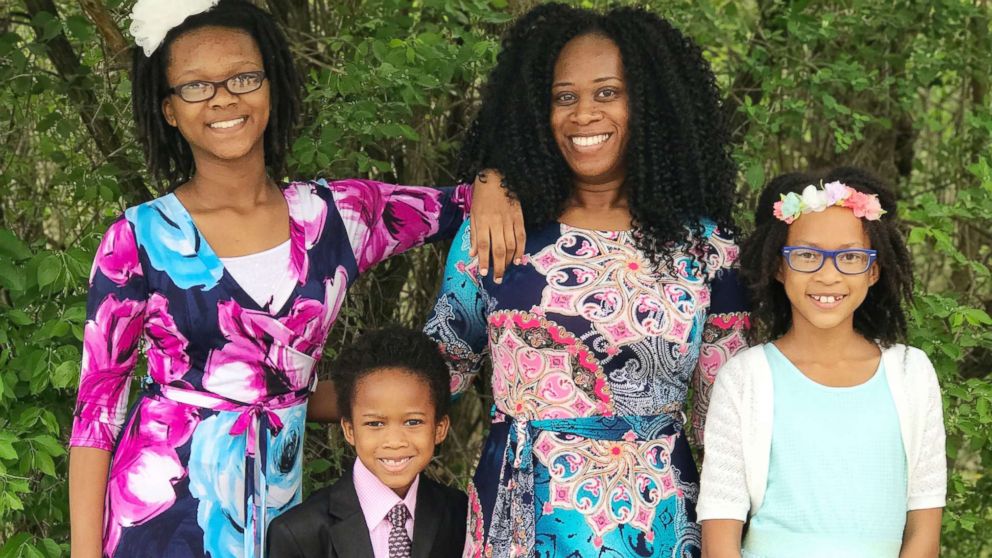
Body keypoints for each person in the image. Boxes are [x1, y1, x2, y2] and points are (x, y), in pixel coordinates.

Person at [67, 1, 522, 557]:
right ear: (168, 109)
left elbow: (465, 207)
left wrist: (493, 177)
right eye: (195, 86)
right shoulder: (136, 239)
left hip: (287, 520)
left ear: (271, 85)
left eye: (242, 77)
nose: (223, 98)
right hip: (160, 519)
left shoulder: (336, 217)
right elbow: (96, 417)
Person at [423, 4, 750, 557]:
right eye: (564, 96)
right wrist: (284, 398)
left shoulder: (709, 249)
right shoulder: (501, 229)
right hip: (522, 517)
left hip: (660, 521)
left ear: (649, 104)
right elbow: (436, 372)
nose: (583, 115)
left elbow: (728, 420)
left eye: (607, 93)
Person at [698, 168, 946, 558]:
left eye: (849, 257)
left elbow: (924, 536)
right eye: (807, 255)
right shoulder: (745, 378)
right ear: (779, 267)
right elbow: (720, 533)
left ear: (874, 270)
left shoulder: (911, 374)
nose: (828, 275)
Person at [266, 327, 467, 558]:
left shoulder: (460, 515)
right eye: (375, 424)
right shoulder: (300, 533)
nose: (394, 441)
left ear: (439, 428)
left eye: (412, 422)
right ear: (349, 430)